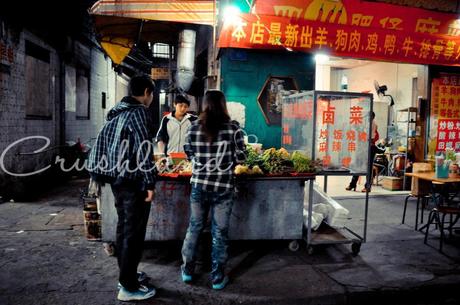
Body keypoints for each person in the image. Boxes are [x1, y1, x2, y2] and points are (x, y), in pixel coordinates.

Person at [87, 75, 157, 302]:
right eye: (152, 95)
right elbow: (144, 150)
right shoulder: (138, 112)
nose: (151, 99)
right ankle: (128, 287)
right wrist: (149, 182)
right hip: (131, 182)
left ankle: (126, 276)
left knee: (124, 228)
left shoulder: (119, 111)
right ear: (147, 92)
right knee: (133, 233)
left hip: (118, 180)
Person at [180, 90, 245, 290]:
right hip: (223, 188)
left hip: (199, 186)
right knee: (219, 232)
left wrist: (201, 162)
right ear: (223, 105)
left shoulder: (193, 127)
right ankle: (217, 278)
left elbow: (188, 152)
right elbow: (242, 158)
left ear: (205, 105)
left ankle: (188, 271)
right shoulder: (234, 128)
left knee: (195, 227)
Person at [346, 111, 383, 192]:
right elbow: (355, 128)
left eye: (369, 117)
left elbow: (371, 138)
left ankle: (368, 186)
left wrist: (360, 132)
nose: (368, 118)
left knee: (368, 167)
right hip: (362, 147)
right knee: (358, 166)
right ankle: (352, 184)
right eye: (367, 117)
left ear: (372, 117)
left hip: (370, 148)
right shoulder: (364, 122)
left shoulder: (373, 124)